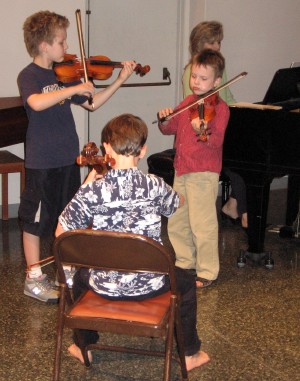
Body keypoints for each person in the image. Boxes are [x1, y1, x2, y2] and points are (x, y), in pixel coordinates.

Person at [55, 113, 210, 371]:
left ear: (106, 148)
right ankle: (190, 353)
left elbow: (62, 235)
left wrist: (88, 183)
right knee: (185, 284)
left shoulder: (92, 191)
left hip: (103, 284)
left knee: (80, 278)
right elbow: (176, 205)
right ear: (143, 150)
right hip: (151, 284)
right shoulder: (154, 185)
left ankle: (84, 347)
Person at [18, 10, 137, 303]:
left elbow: (93, 103)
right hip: (41, 161)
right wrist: (73, 88)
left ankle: (68, 271)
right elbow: (36, 103)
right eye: (61, 41)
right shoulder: (29, 76)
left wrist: (120, 79)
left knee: (68, 218)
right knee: (33, 223)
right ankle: (33, 278)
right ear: (44, 45)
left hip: (67, 159)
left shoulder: (64, 74)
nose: (66, 46)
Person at [158, 49, 229, 288]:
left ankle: (208, 270)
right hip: (182, 169)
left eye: (203, 78)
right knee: (178, 220)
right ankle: (184, 261)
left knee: (202, 223)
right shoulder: (188, 102)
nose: (197, 82)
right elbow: (169, 129)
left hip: (203, 172)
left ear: (217, 81)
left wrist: (203, 130)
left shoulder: (220, 108)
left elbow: (216, 141)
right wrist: (165, 118)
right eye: (194, 77)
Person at [182, 20, 248, 228]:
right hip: (201, 134)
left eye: (219, 42)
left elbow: (227, 97)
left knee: (246, 156)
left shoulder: (219, 71)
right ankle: (242, 210)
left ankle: (236, 204)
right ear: (201, 44)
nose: (218, 47)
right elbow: (193, 107)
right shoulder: (190, 73)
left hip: (222, 123)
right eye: (213, 42)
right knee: (240, 162)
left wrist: (243, 110)